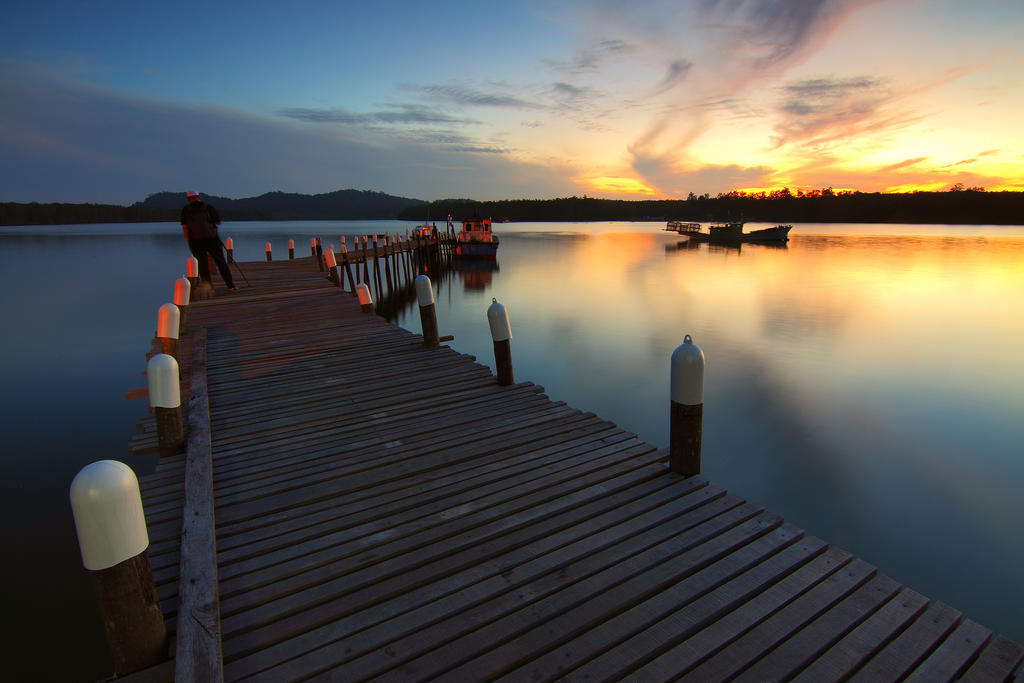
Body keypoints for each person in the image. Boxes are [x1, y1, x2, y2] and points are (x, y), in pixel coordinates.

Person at [180, 190, 236, 290]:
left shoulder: (186, 210)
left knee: (202, 265)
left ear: (188, 199)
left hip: (196, 242)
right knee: (221, 262)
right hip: (212, 240)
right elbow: (219, 222)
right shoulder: (208, 207)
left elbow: (185, 228)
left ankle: (208, 287)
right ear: (199, 197)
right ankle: (230, 286)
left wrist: (189, 242)